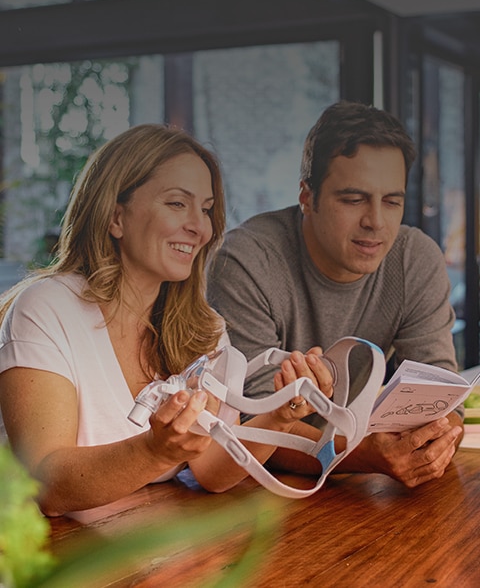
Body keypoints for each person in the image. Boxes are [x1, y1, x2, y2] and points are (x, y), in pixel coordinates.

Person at [0, 124, 333, 516]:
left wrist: (280, 415)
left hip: (145, 548)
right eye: (178, 204)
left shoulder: (204, 329)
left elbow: (211, 470)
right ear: (115, 217)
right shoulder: (45, 309)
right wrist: (154, 451)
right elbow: (47, 486)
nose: (200, 227)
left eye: (206, 209)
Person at [207, 100, 464, 489]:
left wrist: (437, 440)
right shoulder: (246, 262)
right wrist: (360, 454)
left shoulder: (415, 258)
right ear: (307, 197)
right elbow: (248, 429)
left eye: (392, 201)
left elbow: (441, 393)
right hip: (253, 491)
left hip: (356, 484)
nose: (376, 222)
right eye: (353, 199)